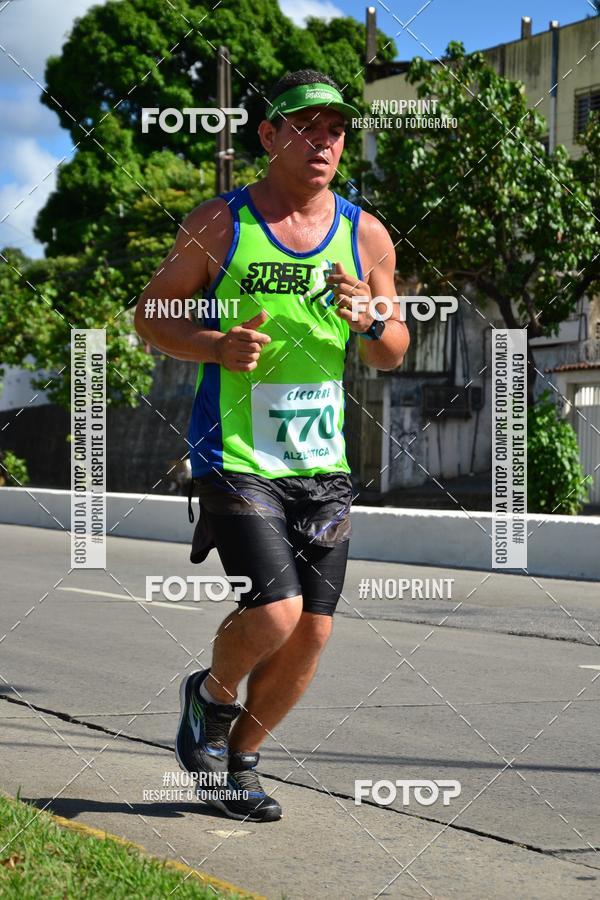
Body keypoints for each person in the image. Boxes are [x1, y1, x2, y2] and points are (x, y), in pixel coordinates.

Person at [135, 69, 410, 822]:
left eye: (335, 129)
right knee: (278, 613)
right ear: (268, 135)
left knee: (313, 632)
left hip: (321, 464)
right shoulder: (220, 222)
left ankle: (238, 764)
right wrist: (214, 344)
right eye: (305, 125)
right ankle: (210, 697)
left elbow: (394, 350)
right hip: (236, 454)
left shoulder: (366, 233)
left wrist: (371, 322)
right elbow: (150, 316)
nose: (323, 140)